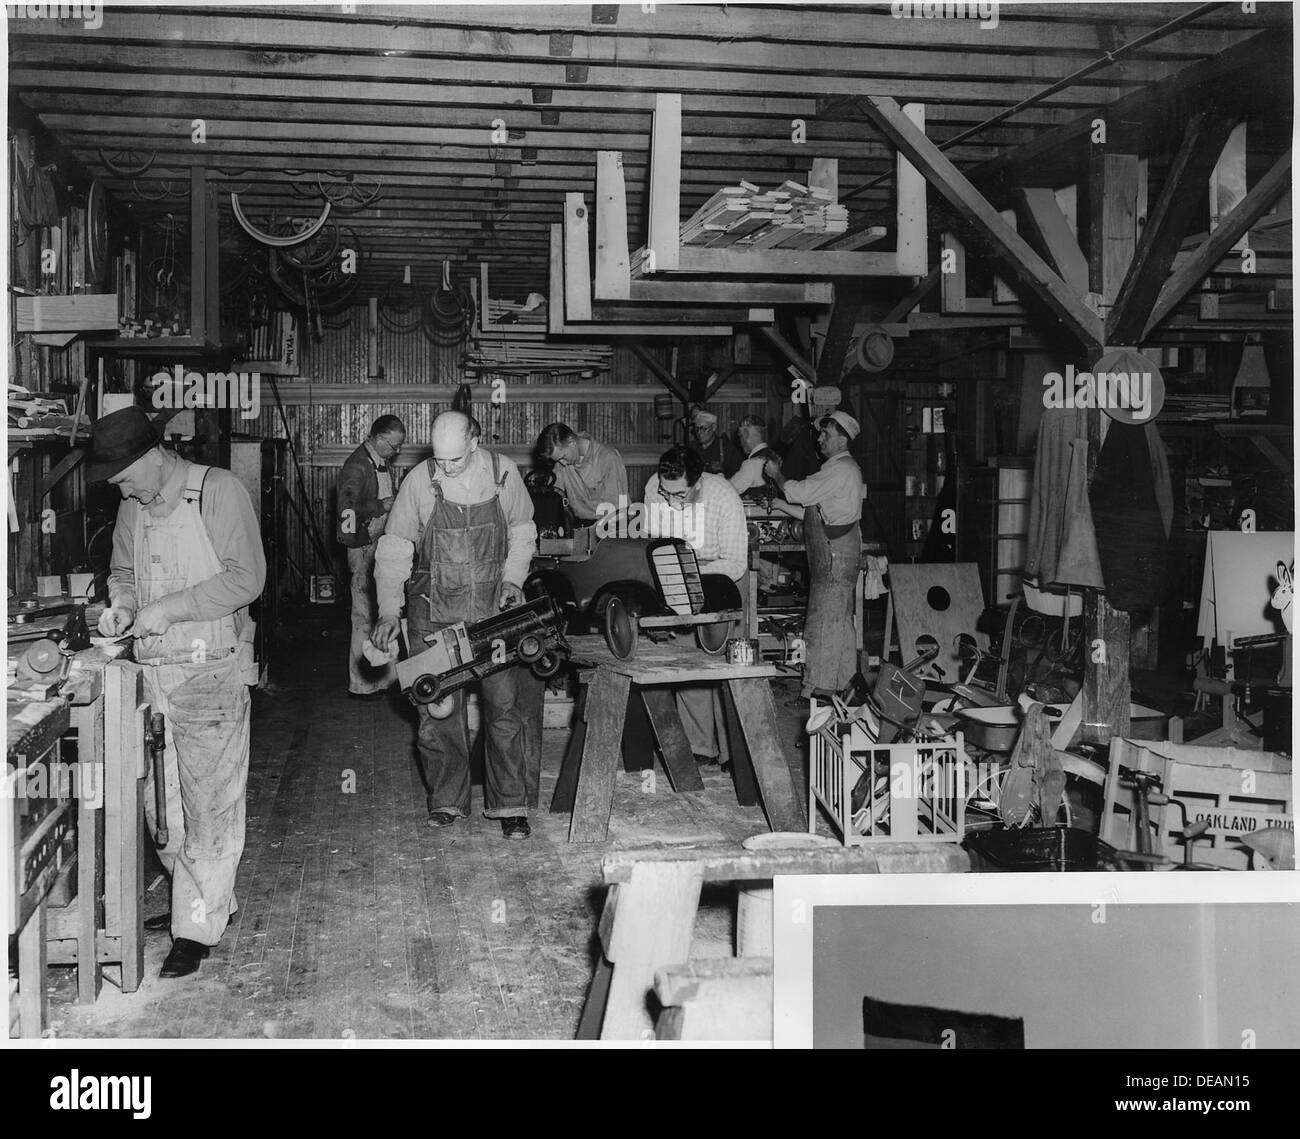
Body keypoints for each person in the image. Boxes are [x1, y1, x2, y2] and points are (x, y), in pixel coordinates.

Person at [91, 406, 265, 979]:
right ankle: (202, 901)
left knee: (211, 806)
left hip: (209, 670)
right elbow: (121, 572)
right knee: (162, 809)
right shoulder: (132, 505)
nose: (119, 488)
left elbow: (247, 578)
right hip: (153, 676)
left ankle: (194, 928)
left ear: (152, 456)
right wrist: (121, 605)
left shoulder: (219, 492)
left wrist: (168, 609)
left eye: (122, 476)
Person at [372, 411, 537, 839]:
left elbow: (522, 530)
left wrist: (514, 581)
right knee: (438, 709)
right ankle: (447, 799)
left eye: (454, 461)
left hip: (492, 608)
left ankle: (509, 806)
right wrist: (390, 609)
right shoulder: (419, 481)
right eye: (440, 460)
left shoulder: (503, 474)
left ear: (474, 443)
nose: (444, 468)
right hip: (432, 606)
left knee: (503, 709)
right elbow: (394, 546)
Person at [642, 446, 748, 764]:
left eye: (680, 495)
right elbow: (653, 546)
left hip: (722, 575)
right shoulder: (654, 488)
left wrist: (691, 571)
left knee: (728, 666)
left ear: (698, 483)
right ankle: (699, 746)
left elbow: (735, 563)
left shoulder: (724, 496)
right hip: (677, 572)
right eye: (666, 493)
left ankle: (736, 753)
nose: (671, 501)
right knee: (688, 659)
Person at [764, 411, 865, 701]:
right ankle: (845, 686)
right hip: (841, 552)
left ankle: (815, 693)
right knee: (840, 625)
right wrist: (779, 505)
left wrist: (777, 475)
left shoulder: (839, 469)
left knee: (821, 624)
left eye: (827, 435)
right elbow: (814, 512)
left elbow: (799, 492)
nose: (820, 439)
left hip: (834, 557)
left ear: (843, 439)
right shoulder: (844, 469)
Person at [337, 415, 405, 698]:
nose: (396, 451)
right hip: (365, 547)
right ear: (378, 439)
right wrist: (380, 506)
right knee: (364, 615)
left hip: (380, 545)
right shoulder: (356, 466)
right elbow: (346, 517)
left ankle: (385, 678)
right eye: (394, 446)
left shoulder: (380, 460)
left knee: (383, 613)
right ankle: (361, 682)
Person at [536, 422, 628, 525]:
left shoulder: (608, 458)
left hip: (612, 526)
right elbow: (552, 497)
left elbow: (618, 510)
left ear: (572, 442)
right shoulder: (562, 462)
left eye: (563, 457)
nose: (562, 463)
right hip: (580, 525)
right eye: (558, 460)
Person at [730, 415, 780, 496]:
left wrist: (718, 475)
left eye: (741, 436)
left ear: (746, 435)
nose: (740, 442)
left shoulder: (751, 464)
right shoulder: (775, 456)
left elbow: (728, 490)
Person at [688, 407, 742, 479]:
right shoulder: (692, 448)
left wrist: (721, 470)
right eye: (697, 429)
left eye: (703, 428)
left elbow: (738, 475)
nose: (699, 433)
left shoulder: (726, 448)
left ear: (713, 427)